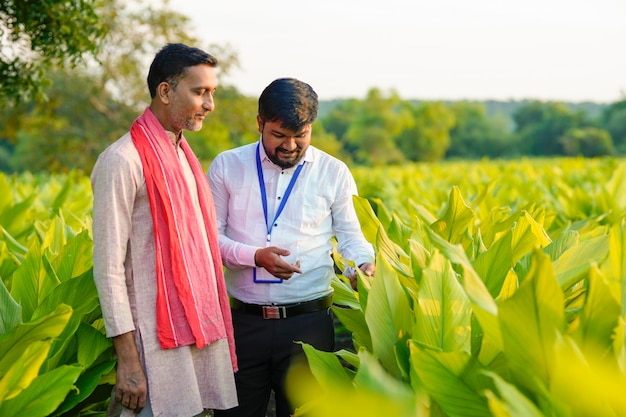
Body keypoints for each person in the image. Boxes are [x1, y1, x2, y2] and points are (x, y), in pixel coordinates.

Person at [207, 77, 376, 417]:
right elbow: (209, 238)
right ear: (259, 123)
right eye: (279, 135)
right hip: (242, 324)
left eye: (301, 136)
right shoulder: (227, 166)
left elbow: (351, 236)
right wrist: (255, 257)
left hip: (309, 325)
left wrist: (362, 266)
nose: (290, 146)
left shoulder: (334, 172)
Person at [91, 43, 238, 417]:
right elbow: (108, 268)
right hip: (150, 337)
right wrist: (127, 360)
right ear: (166, 91)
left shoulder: (182, 154)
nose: (210, 104)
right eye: (200, 92)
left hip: (191, 325)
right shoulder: (122, 160)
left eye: (212, 93)